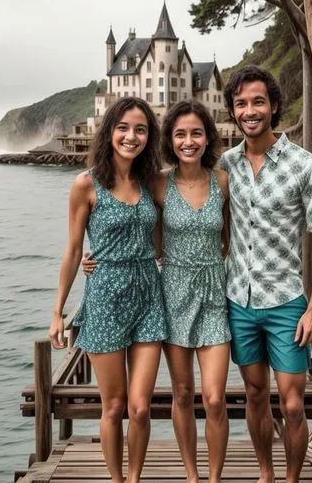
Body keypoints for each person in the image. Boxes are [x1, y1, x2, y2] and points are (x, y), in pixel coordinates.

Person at [83, 100, 231, 483]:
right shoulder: (158, 183)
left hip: (213, 294)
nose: (188, 141)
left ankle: (213, 479)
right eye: (180, 134)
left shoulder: (223, 181)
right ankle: (192, 476)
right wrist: (95, 258)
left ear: (208, 137)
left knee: (214, 398)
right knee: (182, 393)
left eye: (196, 132)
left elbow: (230, 238)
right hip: (171, 294)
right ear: (169, 139)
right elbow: (136, 227)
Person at [221, 65, 312, 483]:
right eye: (241, 104)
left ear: (272, 106)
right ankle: (266, 474)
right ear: (234, 111)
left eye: (257, 102)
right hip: (239, 301)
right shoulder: (225, 164)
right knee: (254, 394)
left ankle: (290, 479)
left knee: (291, 404)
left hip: (287, 301)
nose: (249, 111)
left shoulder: (305, 165)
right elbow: (188, 213)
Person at [49, 97, 167, 483]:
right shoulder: (86, 184)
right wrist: (58, 312)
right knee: (114, 406)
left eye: (140, 129)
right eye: (123, 128)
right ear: (109, 131)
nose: (131, 136)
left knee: (141, 407)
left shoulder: (151, 181)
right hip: (104, 301)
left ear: (149, 137)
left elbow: (165, 237)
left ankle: (134, 478)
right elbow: (70, 251)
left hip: (149, 296)